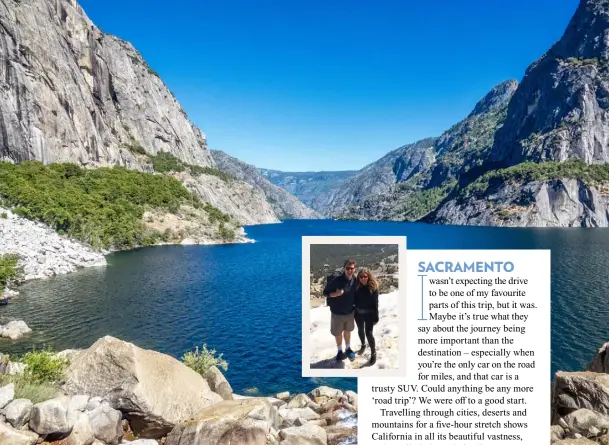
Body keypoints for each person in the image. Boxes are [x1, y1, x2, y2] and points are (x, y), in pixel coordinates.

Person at [323, 259, 357, 361]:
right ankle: (339, 351)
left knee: (347, 331)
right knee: (338, 333)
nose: (349, 270)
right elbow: (325, 293)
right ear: (344, 268)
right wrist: (335, 294)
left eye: (351, 268)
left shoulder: (355, 281)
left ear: (354, 269)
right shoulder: (336, 281)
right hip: (337, 313)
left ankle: (348, 348)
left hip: (350, 312)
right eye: (347, 268)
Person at [354, 268, 379, 365]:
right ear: (358, 278)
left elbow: (375, 303)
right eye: (361, 277)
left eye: (365, 276)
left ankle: (373, 353)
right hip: (358, 313)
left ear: (368, 277)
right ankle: (363, 345)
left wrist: (376, 316)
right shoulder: (356, 287)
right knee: (360, 329)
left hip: (369, 314)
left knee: (369, 333)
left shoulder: (373, 287)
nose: (363, 278)